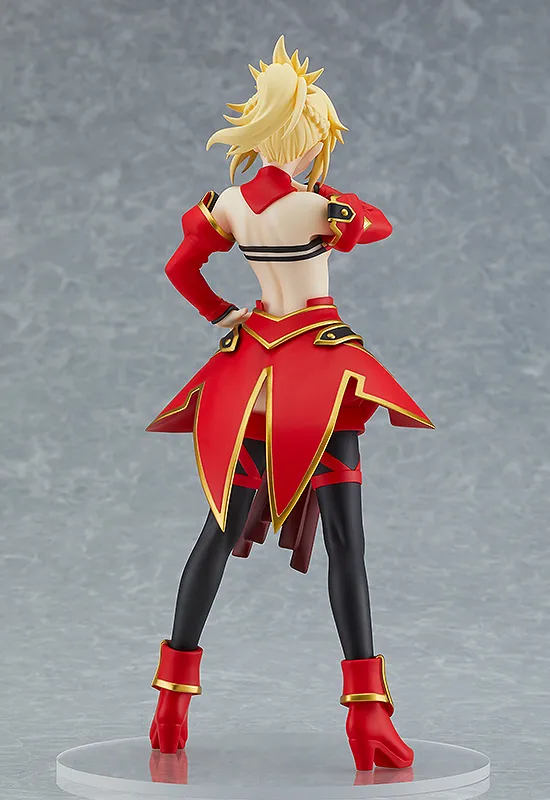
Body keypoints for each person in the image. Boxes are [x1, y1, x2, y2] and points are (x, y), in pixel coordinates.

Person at [146, 36, 434, 771]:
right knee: (347, 543)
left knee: (217, 533)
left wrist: (222, 313)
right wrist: (340, 206)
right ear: (304, 133)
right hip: (318, 379)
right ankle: (367, 718)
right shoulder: (317, 206)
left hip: (249, 380)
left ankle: (170, 704)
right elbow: (377, 225)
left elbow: (180, 266)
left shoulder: (226, 206)